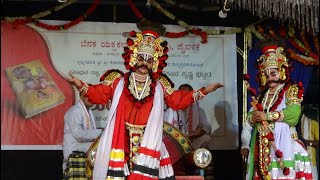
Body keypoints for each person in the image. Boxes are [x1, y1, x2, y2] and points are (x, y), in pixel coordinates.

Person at [66, 29, 224, 179]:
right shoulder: (118, 82)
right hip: (122, 138)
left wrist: (204, 91)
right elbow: (98, 93)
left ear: (154, 63)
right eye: (141, 59)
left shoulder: (159, 85)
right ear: (133, 58)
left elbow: (177, 100)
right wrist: (79, 84)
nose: (144, 64)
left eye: (149, 60)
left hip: (149, 138)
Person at [240, 42, 313, 180]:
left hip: (287, 149)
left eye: (273, 73)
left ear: (282, 71)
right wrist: (245, 143)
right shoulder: (261, 96)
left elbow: (294, 114)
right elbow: (248, 122)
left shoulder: (291, 90)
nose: (270, 78)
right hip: (262, 151)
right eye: (266, 75)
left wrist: (267, 116)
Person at [62, 93, 102, 178]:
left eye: (94, 96)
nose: (92, 98)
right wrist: (101, 133)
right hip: (74, 152)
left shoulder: (89, 111)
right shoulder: (75, 111)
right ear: (81, 96)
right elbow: (78, 135)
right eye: (88, 96)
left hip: (84, 153)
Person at [164, 84, 212, 150]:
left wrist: (198, 133)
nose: (184, 97)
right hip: (176, 142)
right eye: (182, 94)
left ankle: (193, 154)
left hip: (192, 141)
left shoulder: (198, 110)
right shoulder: (170, 110)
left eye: (187, 95)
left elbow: (207, 127)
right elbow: (165, 129)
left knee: (206, 137)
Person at [300, 105, 319, 180]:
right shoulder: (292, 126)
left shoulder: (313, 124)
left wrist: (305, 142)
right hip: (296, 161)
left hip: (310, 162)